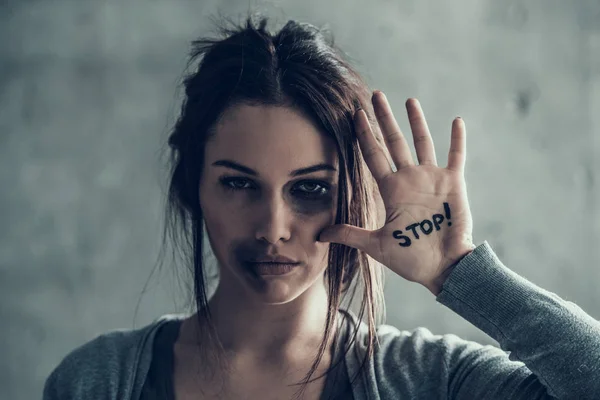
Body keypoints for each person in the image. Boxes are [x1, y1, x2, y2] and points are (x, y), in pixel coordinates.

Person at [42, 14, 600, 400]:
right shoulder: (98, 380)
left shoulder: (432, 380)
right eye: (239, 185)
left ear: (353, 195)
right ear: (193, 187)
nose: (272, 227)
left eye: (308, 188)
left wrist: (459, 271)